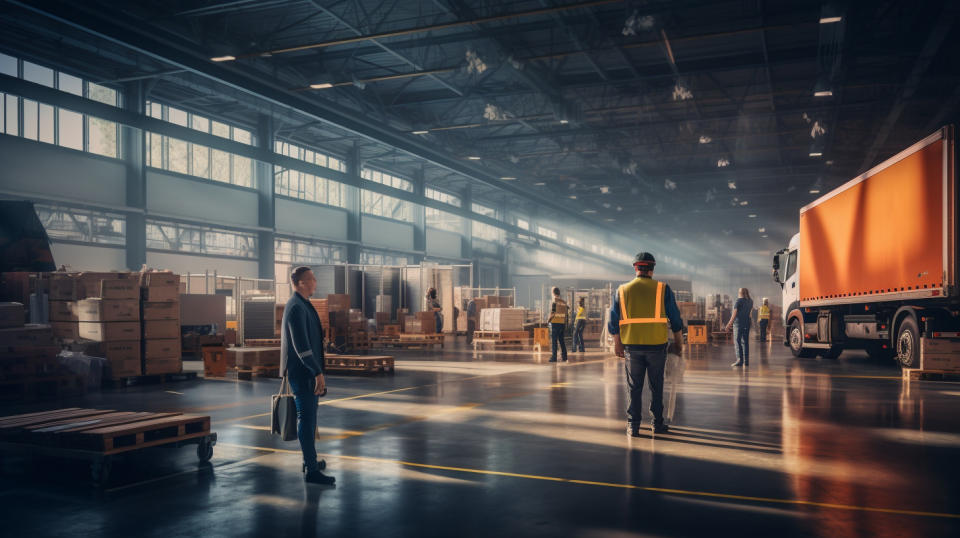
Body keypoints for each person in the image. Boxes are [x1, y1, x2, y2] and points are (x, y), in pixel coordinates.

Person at [608, 252, 684, 436]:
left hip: (632, 347)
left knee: (633, 387)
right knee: (656, 386)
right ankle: (657, 424)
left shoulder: (622, 290)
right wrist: (679, 344)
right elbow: (675, 319)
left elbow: (613, 320)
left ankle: (633, 425)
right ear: (652, 268)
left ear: (635, 268)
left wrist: (617, 344)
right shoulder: (663, 289)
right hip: (657, 346)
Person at [281, 266, 335, 485]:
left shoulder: (303, 304)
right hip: (303, 372)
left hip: (307, 370)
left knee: (310, 417)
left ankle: (309, 460)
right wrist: (317, 372)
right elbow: (301, 346)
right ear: (301, 283)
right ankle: (312, 471)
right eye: (312, 279)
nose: (315, 283)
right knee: (306, 416)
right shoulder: (296, 307)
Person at [724, 288, 754, 367]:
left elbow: (734, 315)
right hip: (747, 324)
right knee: (745, 342)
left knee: (737, 342)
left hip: (738, 324)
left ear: (740, 293)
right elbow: (750, 314)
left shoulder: (738, 301)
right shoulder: (750, 302)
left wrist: (728, 325)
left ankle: (739, 360)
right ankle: (746, 361)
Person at [548, 287, 569, 362]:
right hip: (562, 323)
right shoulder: (564, 302)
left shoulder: (554, 301)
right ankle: (564, 356)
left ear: (553, 293)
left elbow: (553, 312)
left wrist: (548, 320)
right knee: (561, 340)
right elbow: (566, 313)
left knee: (554, 341)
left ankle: (554, 357)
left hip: (555, 323)